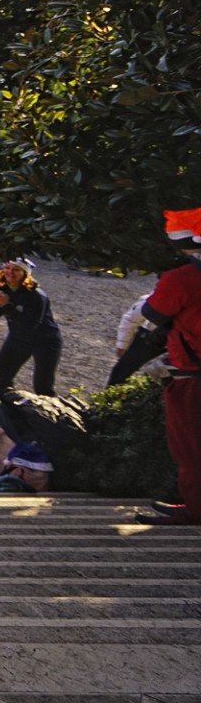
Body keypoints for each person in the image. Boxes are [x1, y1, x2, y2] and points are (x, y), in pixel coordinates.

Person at [130, 206, 201, 525]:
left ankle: (197, 508)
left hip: (191, 376)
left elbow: (154, 313)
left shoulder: (181, 278)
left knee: (190, 447)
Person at [0, 259, 62, 397]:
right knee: (2, 373)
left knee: (43, 385)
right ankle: (6, 408)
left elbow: (30, 325)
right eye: (8, 268)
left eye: (16, 270)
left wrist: (7, 305)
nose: (10, 272)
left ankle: (48, 416)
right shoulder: (1, 287)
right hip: (17, 338)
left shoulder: (36, 295)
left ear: (25, 274)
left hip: (45, 342)